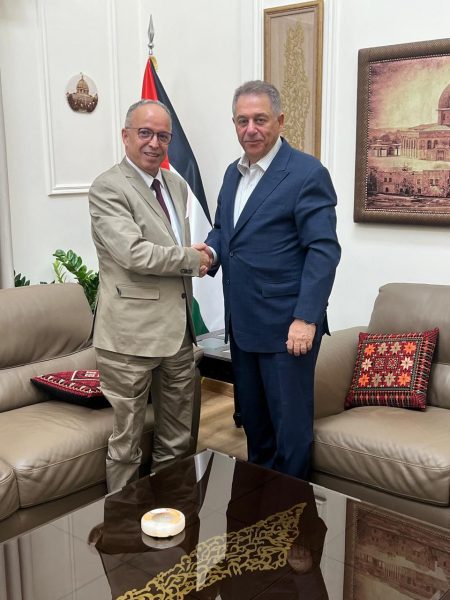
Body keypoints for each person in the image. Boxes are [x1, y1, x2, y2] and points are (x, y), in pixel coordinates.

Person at [201, 80, 341, 480]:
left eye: (260, 119)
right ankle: (258, 507)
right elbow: (224, 231)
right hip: (243, 326)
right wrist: (210, 252)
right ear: (234, 124)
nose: (251, 129)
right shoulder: (232, 174)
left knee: (289, 434)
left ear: (279, 121)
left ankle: (292, 514)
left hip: (287, 330)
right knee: (255, 428)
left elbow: (323, 251)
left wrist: (306, 318)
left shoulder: (307, 173)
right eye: (242, 121)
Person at [89, 99, 211, 492]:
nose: (154, 143)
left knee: (176, 441)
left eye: (163, 136)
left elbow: (169, 244)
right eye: (145, 133)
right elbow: (134, 253)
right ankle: (123, 526)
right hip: (130, 338)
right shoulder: (108, 187)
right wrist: (192, 259)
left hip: (177, 335)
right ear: (125, 136)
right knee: (126, 447)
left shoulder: (176, 184)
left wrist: (193, 254)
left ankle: (166, 519)